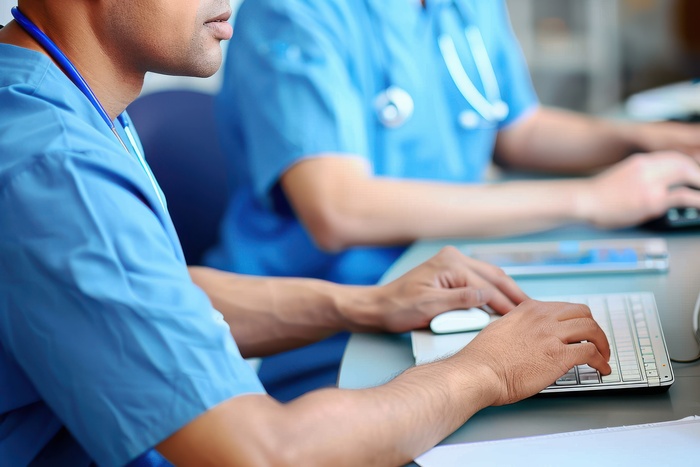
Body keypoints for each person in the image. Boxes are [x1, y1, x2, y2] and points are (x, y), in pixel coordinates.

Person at [0, 1, 614, 465]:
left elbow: (150, 294)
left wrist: (363, 304)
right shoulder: (54, 168)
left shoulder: (56, 101)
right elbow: (267, 453)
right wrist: (487, 372)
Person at [206, 0, 700, 399]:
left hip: (445, 287)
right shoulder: (293, 13)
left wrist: (639, 138)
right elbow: (338, 208)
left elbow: (514, 127)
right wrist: (590, 198)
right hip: (326, 329)